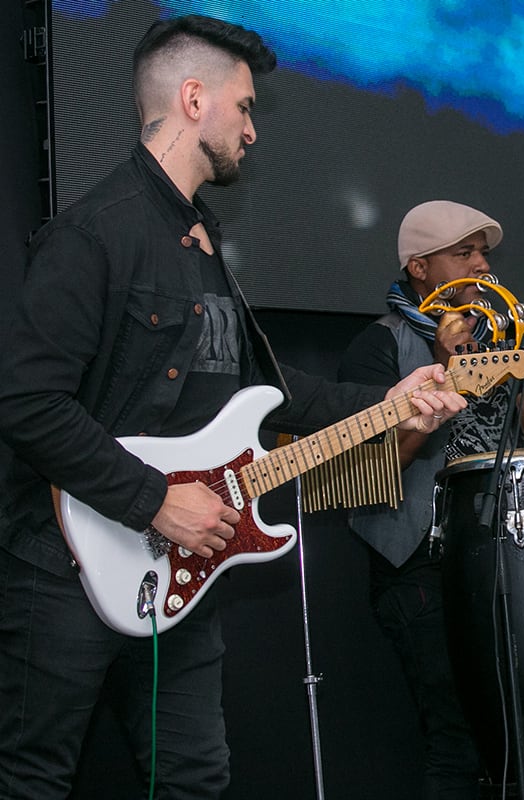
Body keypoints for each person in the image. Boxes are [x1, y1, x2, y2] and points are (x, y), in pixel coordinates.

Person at [0, 16, 466, 799]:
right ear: (192, 99)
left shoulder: (202, 243)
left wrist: (388, 402)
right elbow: (25, 400)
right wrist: (156, 502)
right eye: (244, 107)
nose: (253, 130)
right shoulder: (93, 234)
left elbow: (271, 389)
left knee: (193, 777)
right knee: (33, 781)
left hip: (177, 573)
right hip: (64, 564)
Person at [337, 199, 524, 799]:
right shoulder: (379, 347)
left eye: (485, 253)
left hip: (503, 561)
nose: (483, 265)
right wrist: (442, 382)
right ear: (420, 268)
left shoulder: (496, 346)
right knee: (457, 741)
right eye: (465, 253)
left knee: (515, 738)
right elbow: (371, 469)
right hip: (420, 568)